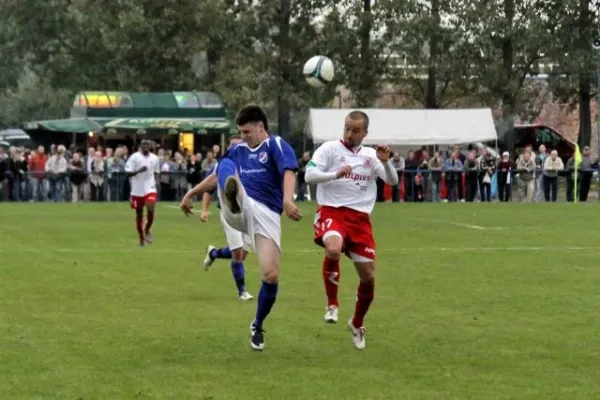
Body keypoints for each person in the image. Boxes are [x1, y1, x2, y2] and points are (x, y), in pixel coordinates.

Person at [180, 104, 301, 352]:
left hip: (266, 214)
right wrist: (191, 193)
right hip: (240, 206)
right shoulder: (238, 149)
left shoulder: (275, 145)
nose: (244, 136)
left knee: (270, 275)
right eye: (241, 131)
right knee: (227, 161)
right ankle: (231, 193)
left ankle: (257, 325)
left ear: (261, 126)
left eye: (247, 131)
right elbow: (214, 176)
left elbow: (289, 171)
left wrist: (288, 199)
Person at [304, 110, 399, 351]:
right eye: (347, 128)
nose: (349, 133)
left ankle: (357, 323)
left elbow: (392, 181)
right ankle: (332, 304)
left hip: (360, 220)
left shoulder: (371, 155)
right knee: (333, 249)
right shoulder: (329, 149)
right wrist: (333, 174)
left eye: (355, 130)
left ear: (365, 133)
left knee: (368, 278)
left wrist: (386, 162)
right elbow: (309, 175)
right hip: (332, 212)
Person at [199, 136, 253, 301]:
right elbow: (208, 189)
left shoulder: (251, 165)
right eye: (233, 146)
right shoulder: (220, 166)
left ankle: (214, 253)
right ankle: (242, 291)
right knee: (237, 253)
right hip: (229, 214)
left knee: (242, 254)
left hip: (249, 214)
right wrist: (204, 210)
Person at [125, 140, 160, 246]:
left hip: (150, 187)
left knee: (150, 206)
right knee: (139, 214)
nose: (145, 146)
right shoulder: (134, 157)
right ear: (140, 146)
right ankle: (141, 238)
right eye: (143, 145)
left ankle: (147, 229)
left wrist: (157, 183)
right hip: (137, 190)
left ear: (150, 146)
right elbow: (127, 174)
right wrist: (138, 171)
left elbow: (157, 172)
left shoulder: (155, 158)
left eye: (147, 145)